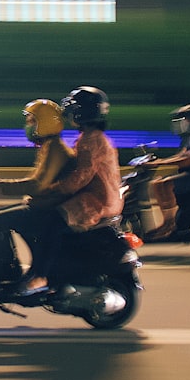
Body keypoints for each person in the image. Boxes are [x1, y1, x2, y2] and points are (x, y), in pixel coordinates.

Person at [16, 85, 123, 296]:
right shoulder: (92, 137)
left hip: (96, 201)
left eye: (73, 109)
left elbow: (80, 177)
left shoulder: (91, 140)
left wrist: (50, 190)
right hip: (98, 196)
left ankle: (41, 276)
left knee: (51, 224)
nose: (69, 114)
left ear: (83, 112)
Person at [0, 99, 76, 296]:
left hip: (48, 211)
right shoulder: (51, 146)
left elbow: (36, 185)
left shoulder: (55, 149)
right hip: (46, 206)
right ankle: (8, 270)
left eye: (32, 121)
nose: (28, 126)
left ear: (45, 123)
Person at [146, 104, 190, 239]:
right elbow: (181, 156)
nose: (182, 123)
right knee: (157, 183)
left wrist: (160, 163)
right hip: (189, 175)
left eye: (185, 119)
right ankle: (167, 222)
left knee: (167, 184)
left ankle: (170, 224)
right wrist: (158, 161)